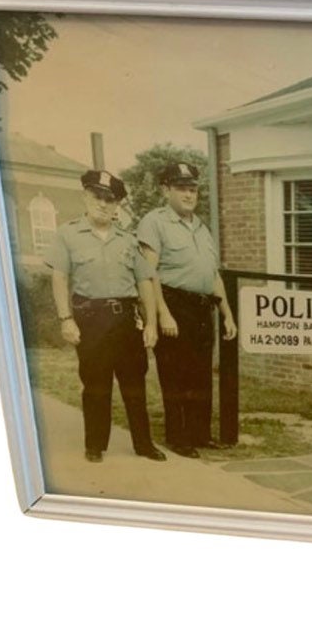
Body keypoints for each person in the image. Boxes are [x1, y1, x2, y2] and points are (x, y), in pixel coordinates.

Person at [49, 169, 164, 463]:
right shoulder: (68, 234)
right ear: (85, 197)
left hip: (126, 320)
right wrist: (66, 318)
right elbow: (60, 278)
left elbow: (144, 282)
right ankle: (95, 445)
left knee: (134, 385)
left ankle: (143, 444)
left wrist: (151, 322)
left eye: (110, 200)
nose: (103, 204)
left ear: (117, 205)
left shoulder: (128, 239)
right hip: (91, 320)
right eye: (97, 197)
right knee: (96, 385)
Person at [136, 161, 236, 457]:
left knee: (202, 375)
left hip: (203, 308)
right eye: (181, 188)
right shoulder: (154, 222)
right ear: (166, 189)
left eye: (192, 189)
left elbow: (212, 274)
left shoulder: (201, 228)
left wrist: (227, 313)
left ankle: (200, 434)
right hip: (174, 303)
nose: (189, 194)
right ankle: (178, 438)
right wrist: (162, 313)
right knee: (176, 375)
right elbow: (148, 273)